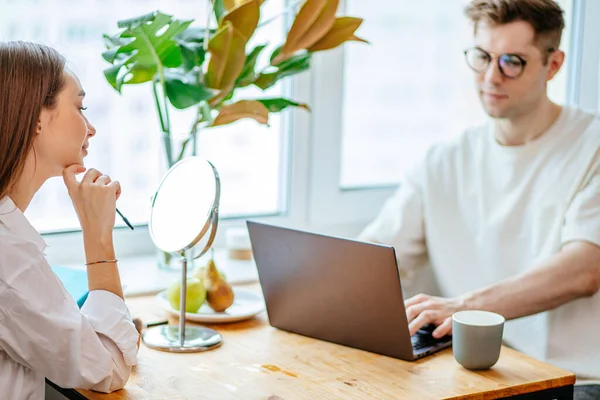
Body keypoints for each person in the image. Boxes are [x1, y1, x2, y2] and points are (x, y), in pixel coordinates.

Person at [359, 0, 600, 397]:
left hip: (576, 381)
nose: (491, 76)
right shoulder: (442, 159)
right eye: (482, 56)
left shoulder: (591, 147)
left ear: (553, 65)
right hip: (474, 374)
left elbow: (583, 271)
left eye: (512, 62)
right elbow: (375, 257)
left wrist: (464, 305)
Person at [0, 41, 139, 399]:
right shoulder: (9, 256)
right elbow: (108, 368)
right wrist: (98, 237)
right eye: (80, 107)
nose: (90, 128)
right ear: (35, 120)